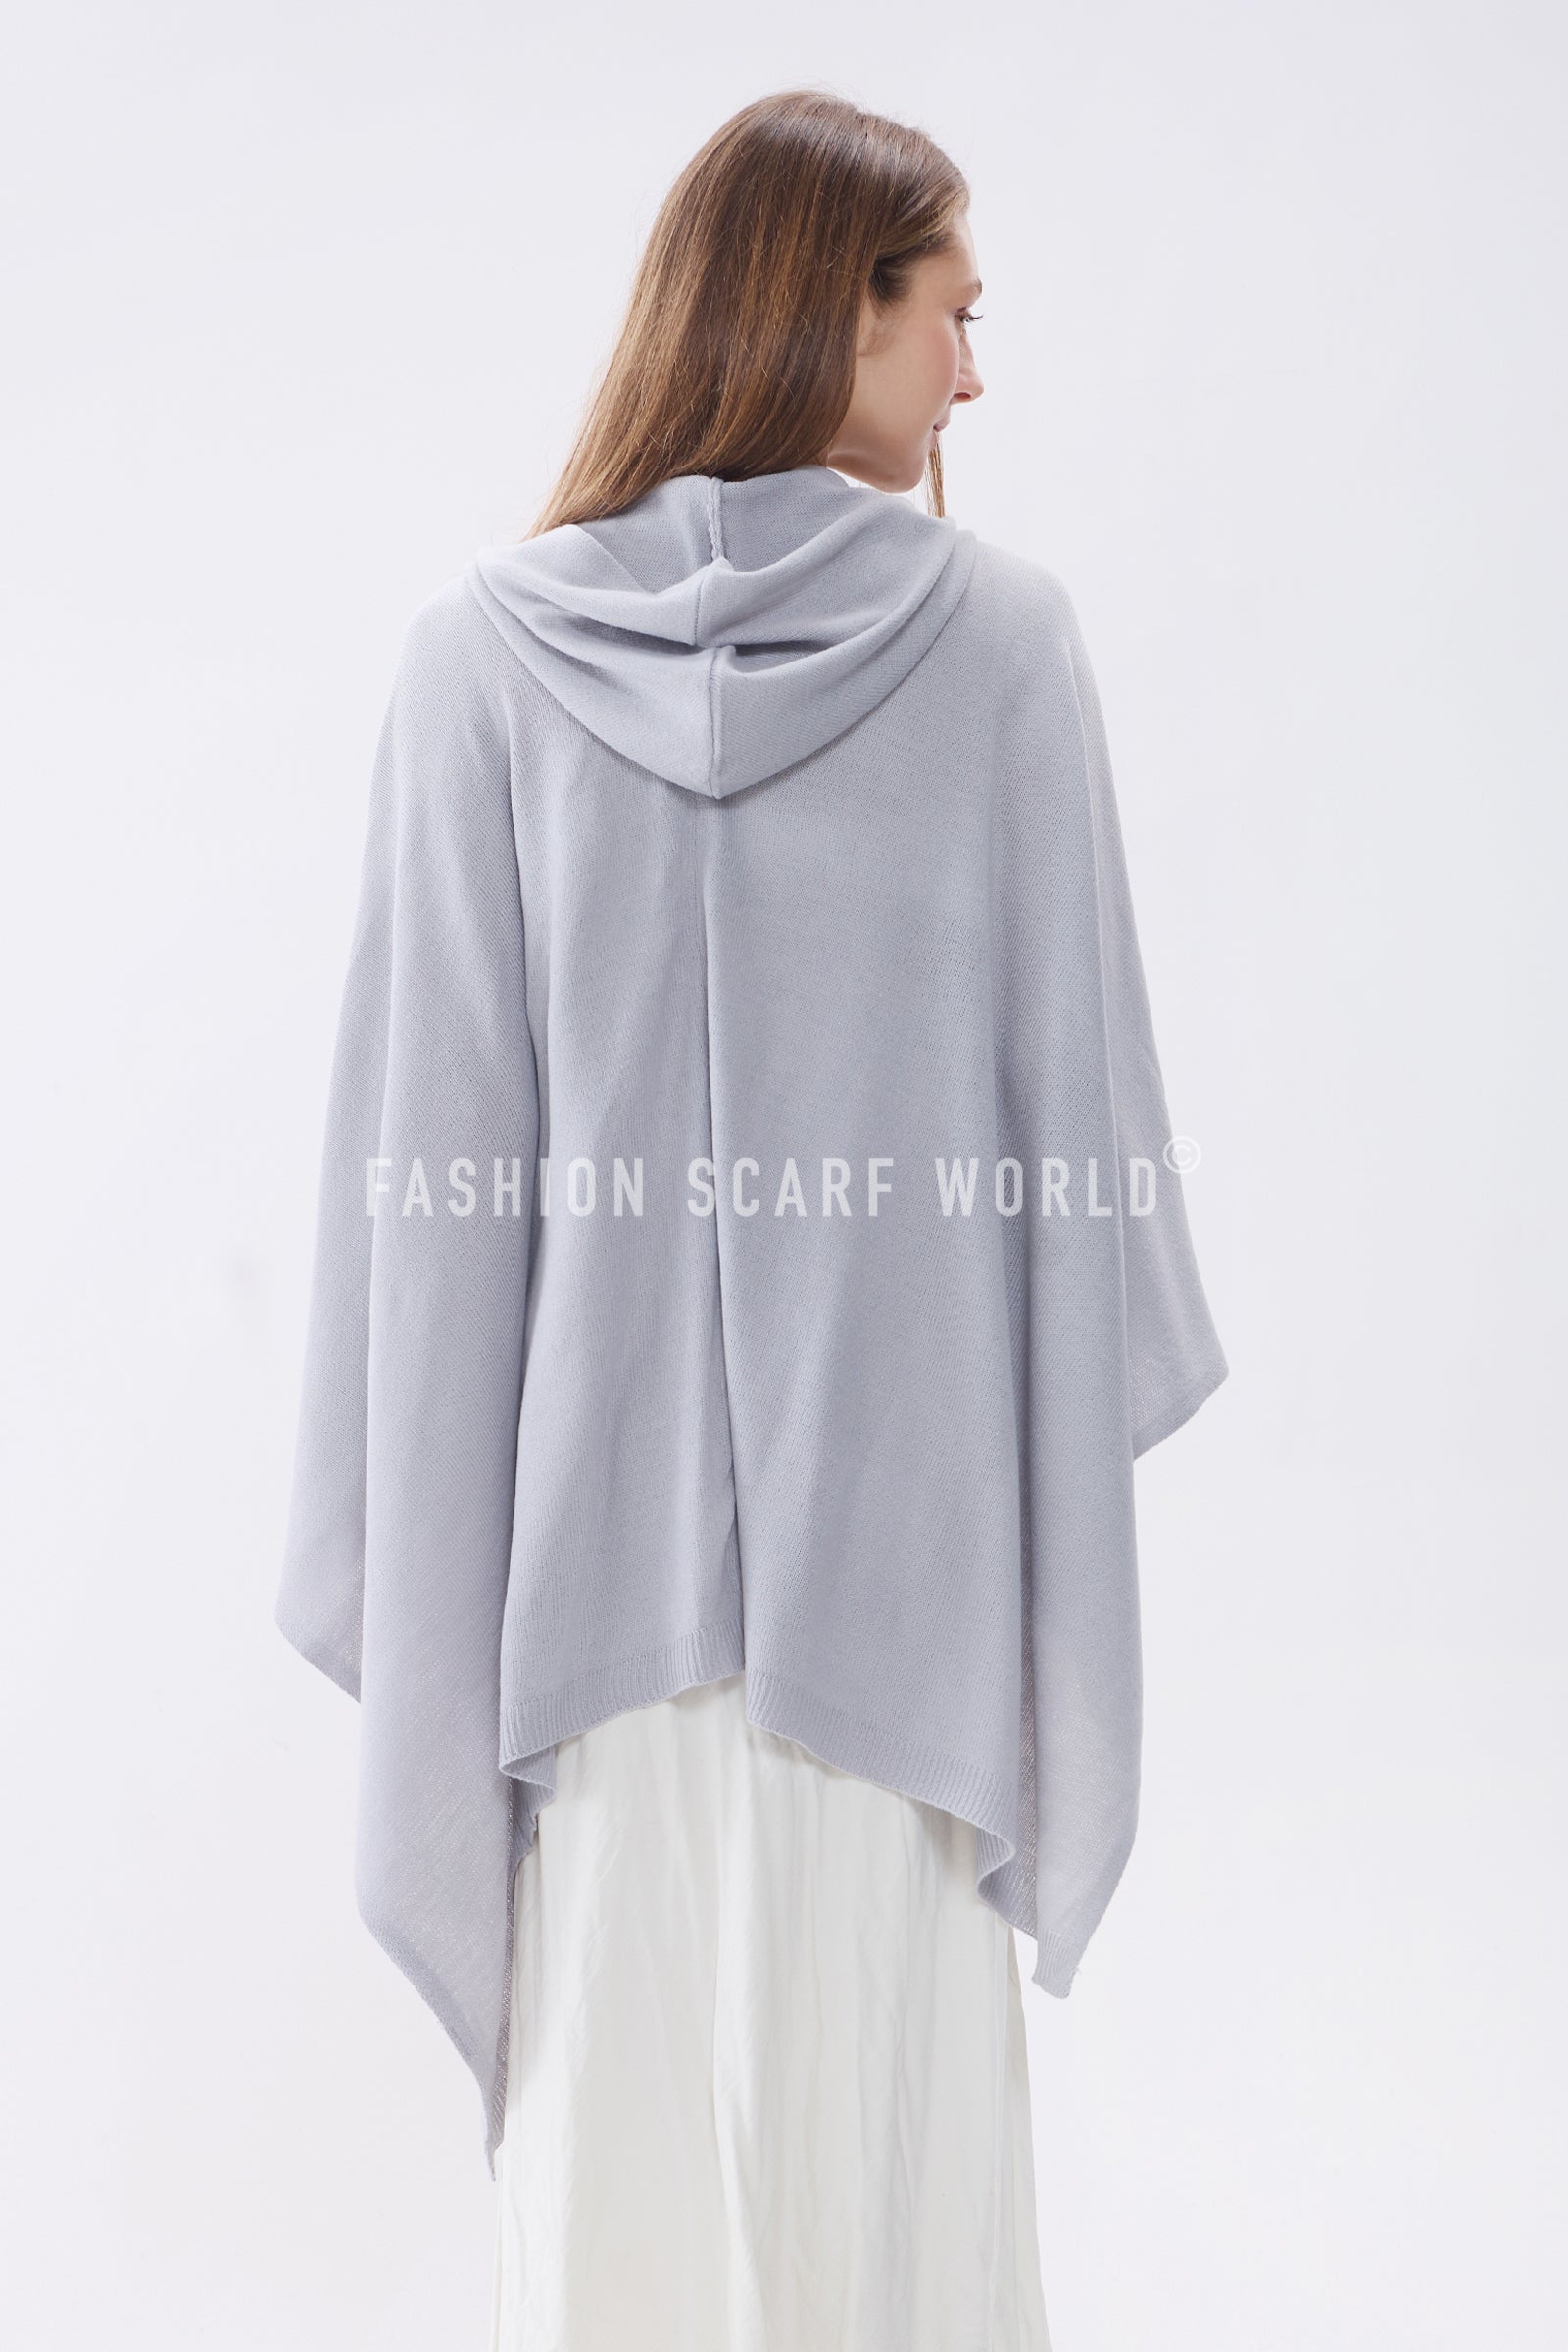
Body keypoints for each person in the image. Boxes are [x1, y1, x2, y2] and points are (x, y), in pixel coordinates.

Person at [275, 85, 1228, 2352]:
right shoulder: (998, 653)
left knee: (621, 2223)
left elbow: (424, 1216)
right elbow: (1078, 1166)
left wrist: (431, 1564)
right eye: (951, 314)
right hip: (902, 1628)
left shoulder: (480, 662)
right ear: (829, 307)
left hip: (581, 1629)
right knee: (883, 2218)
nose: (974, 374)